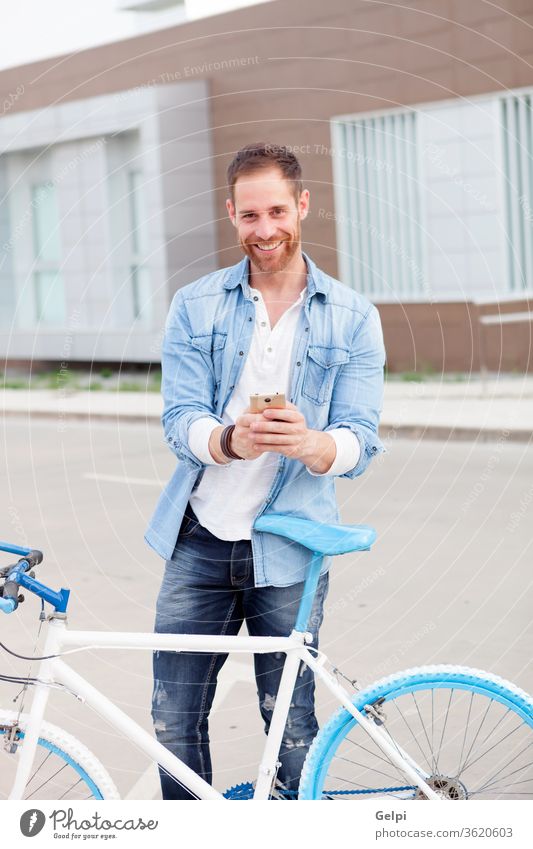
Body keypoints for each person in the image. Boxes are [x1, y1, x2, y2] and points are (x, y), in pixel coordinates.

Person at [145, 142, 386, 799]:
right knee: (172, 721)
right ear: (231, 215)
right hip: (199, 542)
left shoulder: (353, 316)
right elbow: (179, 420)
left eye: (277, 210)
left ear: (301, 206)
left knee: (289, 726)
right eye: (249, 215)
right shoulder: (194, 305)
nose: (265, 230)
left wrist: (311, 444)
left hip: (292, 545)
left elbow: (361, 440)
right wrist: (229, 439)